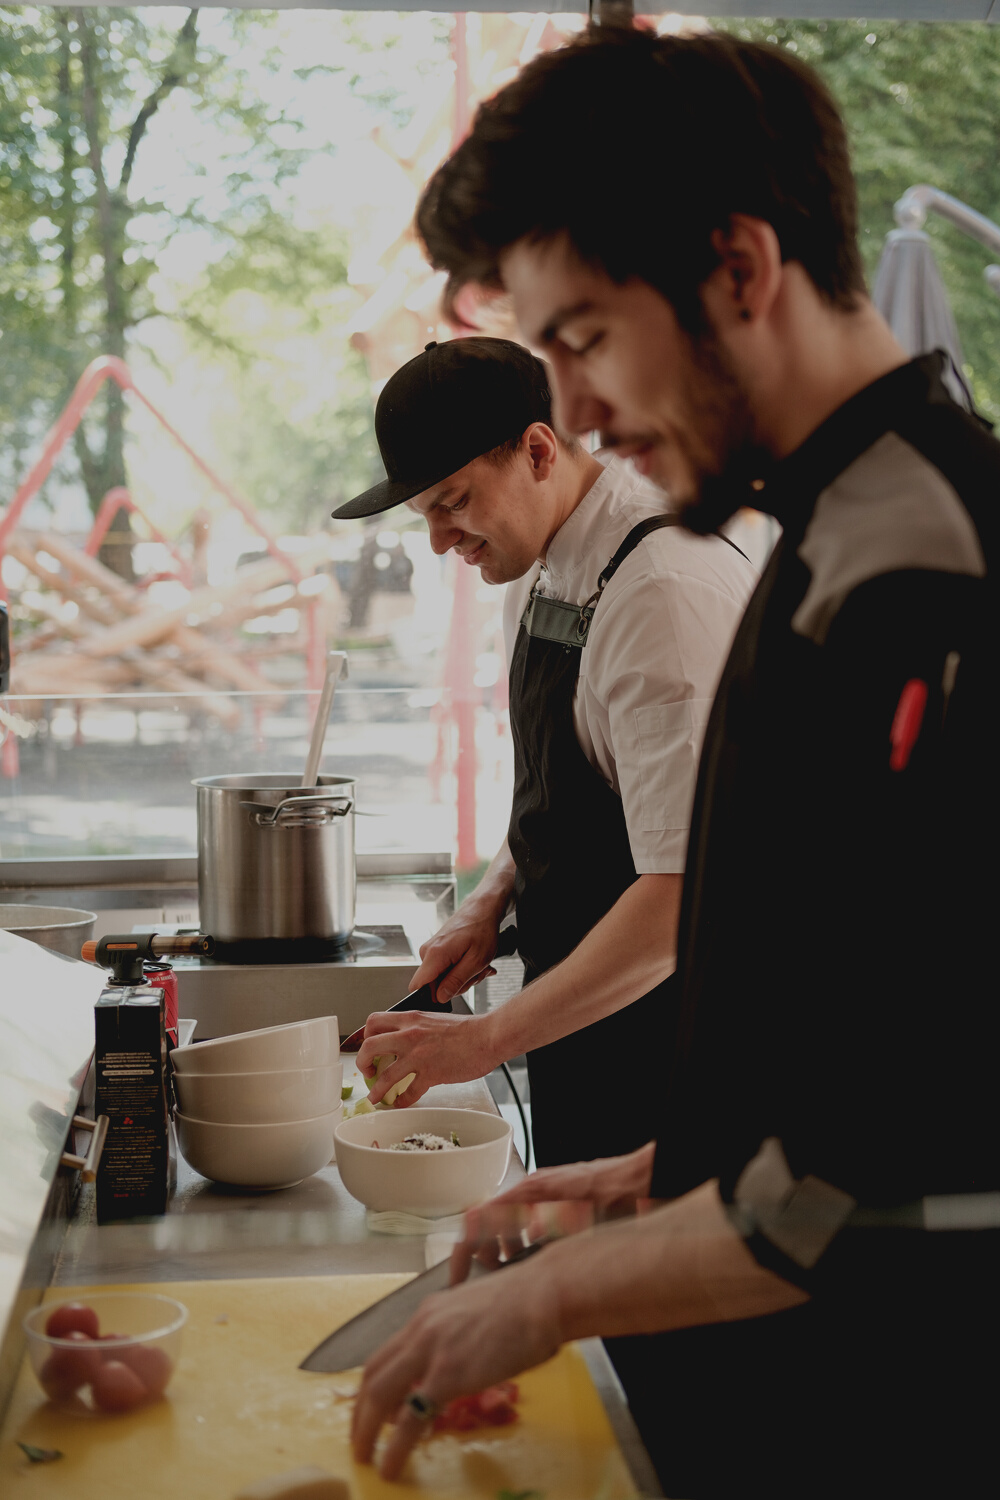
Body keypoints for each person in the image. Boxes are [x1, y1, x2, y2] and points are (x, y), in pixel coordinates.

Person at [350, 27, 996, 1497]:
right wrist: (666, 1172)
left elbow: (878, 1178)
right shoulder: (823, 532)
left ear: (739, 269)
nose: (570, 414)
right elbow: (890, 1038)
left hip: (906, 1407)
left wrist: (551, 1298)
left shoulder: (915, 576)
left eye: (581, 338)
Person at [332, 335, 754, 1165]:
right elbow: (577, 791)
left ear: (537, 449)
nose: (441, 543)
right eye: (426, 516)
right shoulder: (539, 563)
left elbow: (683, 896)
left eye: (453, 501)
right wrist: (491, 901)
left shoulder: (662, 593)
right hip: (591, 1025)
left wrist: (482, 1042)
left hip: (691, 1048)